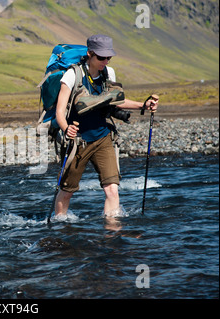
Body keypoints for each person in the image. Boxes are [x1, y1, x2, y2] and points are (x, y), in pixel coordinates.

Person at [54, 34, 159, 218]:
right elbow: (60, 111)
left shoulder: (108, 73)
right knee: (67, 191)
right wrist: (66, 128)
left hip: (103, 138)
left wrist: (143, 105)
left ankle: (112, 234)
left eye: (108, 57)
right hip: (78, 142)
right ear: (90, 54)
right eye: (101, 57)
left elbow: (116, 102)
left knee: (112, 189)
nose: (106, 61)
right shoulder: (72, 75)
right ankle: (60, 225)